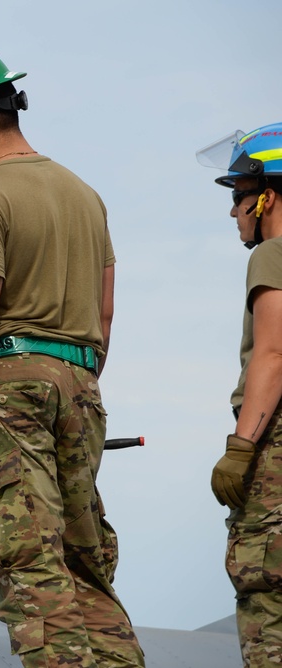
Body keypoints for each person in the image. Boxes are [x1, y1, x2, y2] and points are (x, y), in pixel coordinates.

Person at [0, 42, 145, 666]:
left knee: (29, 566)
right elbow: (105, 314)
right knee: (84, 563)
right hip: (82, 383)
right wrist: (77, 382)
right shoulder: (85, 195)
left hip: (11, 391)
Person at [197, 124, 282, 667]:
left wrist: (242, 447)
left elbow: (273, 355)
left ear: (268, 195)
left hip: (274, 449)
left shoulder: (272, 256)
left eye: (239, 196)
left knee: (264, 584)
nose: (234, 212)